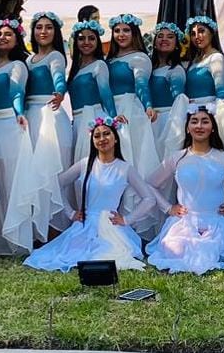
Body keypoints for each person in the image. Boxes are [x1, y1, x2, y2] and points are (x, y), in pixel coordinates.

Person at [24, 118, 162, 272]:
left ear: (116, 138)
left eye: (106, 134)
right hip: (85, 224)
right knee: (73, 253)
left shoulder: (125, 168)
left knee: (111, 253)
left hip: (110, 225)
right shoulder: (85, 164)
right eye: (97, 136)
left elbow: (149, 199)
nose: (102, 139)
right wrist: (71, 213)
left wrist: (127, 219)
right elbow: (57, 185)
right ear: (93, 141)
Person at [146, 106, 224, 274]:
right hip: (184, 223)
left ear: (213, 128)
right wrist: (168, 208)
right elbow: (150, 184)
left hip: (218, 222)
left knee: (221, 249)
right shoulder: (177, 158)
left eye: (205, 122)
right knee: (176, 249)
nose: (199, 126)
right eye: (194, 122)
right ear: (187, 128)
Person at [0, 17, 35, 255]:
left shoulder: (18, 65)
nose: (2, 38)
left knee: (9, 178)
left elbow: (16, 91)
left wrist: (19, 113)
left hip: (8, 123)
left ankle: (14, 237)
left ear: (17, 39)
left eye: (8, 34)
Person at [24, 12, 73, 242]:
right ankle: (36, 229)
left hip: (49, 115)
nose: (43, 31)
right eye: (39, 27)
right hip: (30, 117)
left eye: (48, 27)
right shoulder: (28, 60)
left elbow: (59, 78)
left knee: (53, 170)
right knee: (33, 172)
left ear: (56, 32)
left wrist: (60, 93)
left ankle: (56, 229)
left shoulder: (56, 56)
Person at [107, 13, 160, 226]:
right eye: (117, 30)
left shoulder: (139, 57)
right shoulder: (108, 60)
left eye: (126, 30)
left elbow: (141, 84)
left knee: (131, 159)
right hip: (110, 111)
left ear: (134, 33)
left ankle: (134, 218)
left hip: (130, 111)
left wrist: (148, 106)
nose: (121, 34)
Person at [184, 16, 224, 154]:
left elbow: (221, 90)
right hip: (191, 112)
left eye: (201, 31)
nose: (197, 36)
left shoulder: (216, 58)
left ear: (212, 33)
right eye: (193, 33)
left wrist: (215, 115)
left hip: (210, 112)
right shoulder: (195, 60)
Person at [68, 19, 118, 163]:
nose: (86, 42)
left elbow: (106, 95)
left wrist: (113, 121)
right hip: (77, 121)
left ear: (97, 41)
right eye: (81, 38)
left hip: (93, 117)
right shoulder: (75, 68)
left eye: (91, 38)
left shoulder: (99, 65)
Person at [148, 22, 188, 159]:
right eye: (160, 36)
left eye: (170, 37)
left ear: (176, 44)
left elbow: (179, 100)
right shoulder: (149, 68)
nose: (164, 39)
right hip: (149, 120)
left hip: (167, 121)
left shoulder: (176, 70)